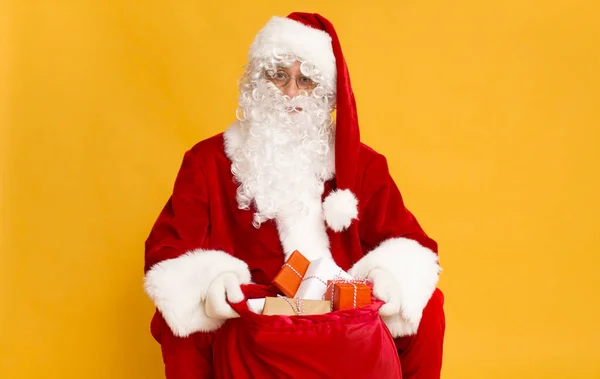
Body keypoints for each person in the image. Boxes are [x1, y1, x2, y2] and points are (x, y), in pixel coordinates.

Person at [143, 12, 445, 379]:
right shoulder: (207, 162)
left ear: (326, 95)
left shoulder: (363, 165)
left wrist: (386, 275)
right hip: (253, 313)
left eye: (306, 81)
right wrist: (213, 281)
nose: (290, 92)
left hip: (342, 311)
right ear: (258, 80)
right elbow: (168, 249)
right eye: (279, 75)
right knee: (178, 322)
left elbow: (410, 243)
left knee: (429, 307)